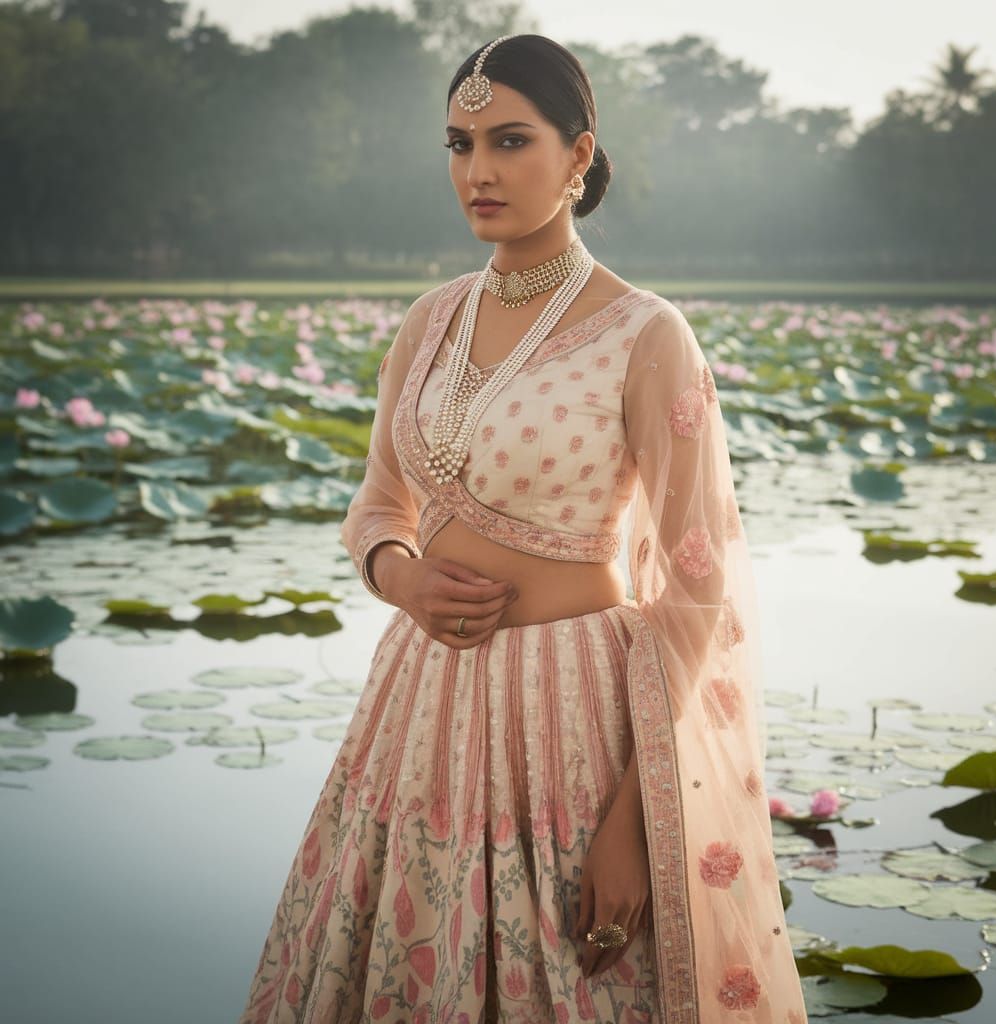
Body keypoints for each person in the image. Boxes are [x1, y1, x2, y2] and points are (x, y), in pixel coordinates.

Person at [238, 33, 808, 1024]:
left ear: (578, 155)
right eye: (458, 145)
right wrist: (400, 576)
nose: (479, 172)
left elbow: (694, 589)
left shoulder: (644, 333)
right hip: (419, 706)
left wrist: (631, 823)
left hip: (569, 715)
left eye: (509, 141)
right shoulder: (429, 321)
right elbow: (378, 505)